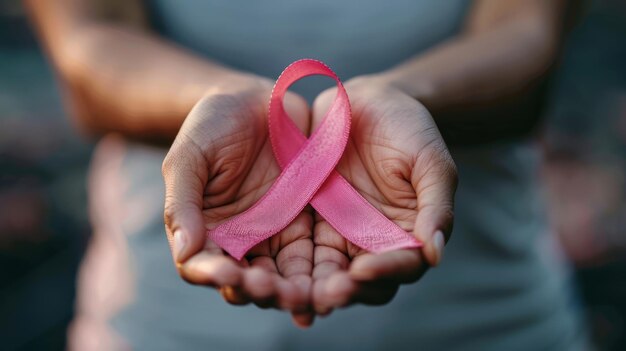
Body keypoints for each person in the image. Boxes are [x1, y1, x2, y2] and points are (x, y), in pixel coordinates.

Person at [26, 0, 588, 350]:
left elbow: (529, 35)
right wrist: (215, 101)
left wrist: (407, 98)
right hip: (164, 330)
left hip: (487, 325)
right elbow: (87, 45)